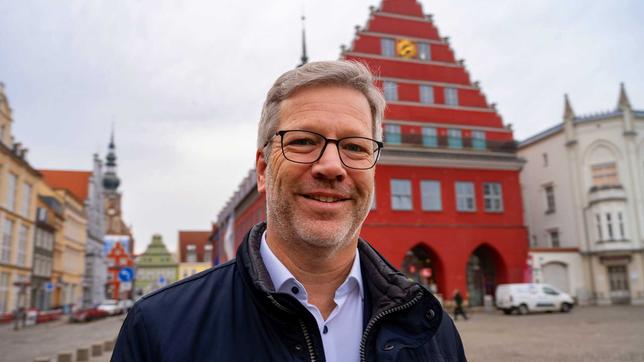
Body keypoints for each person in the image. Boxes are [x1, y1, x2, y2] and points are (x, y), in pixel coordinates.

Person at [112, 60, 466, 361]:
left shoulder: (433, 332)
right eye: (303, 141)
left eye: (355, 147)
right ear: (264, 170)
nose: (331, 166)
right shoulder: (159, 329)